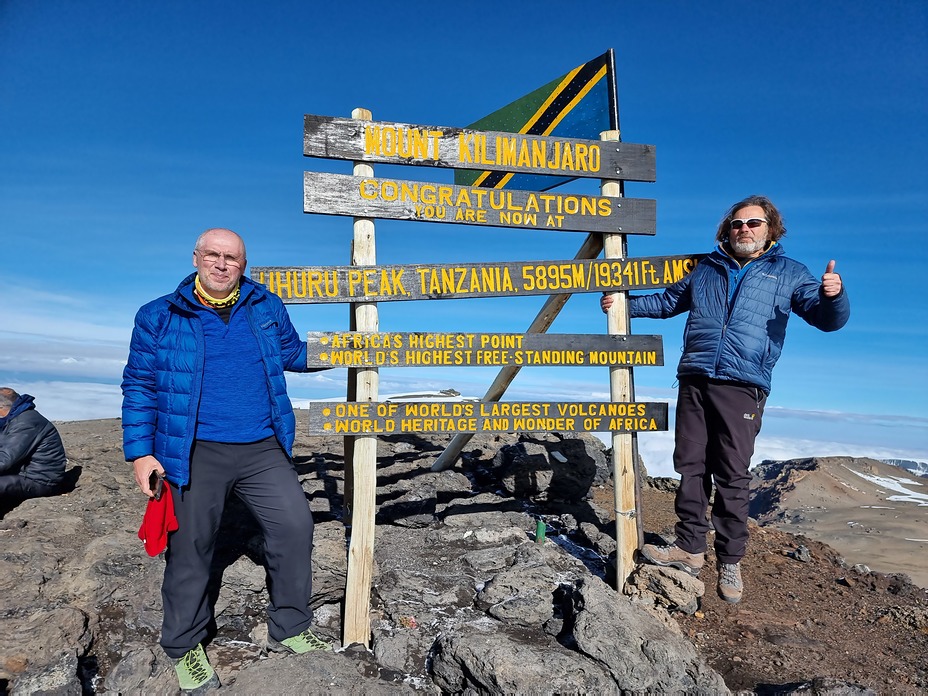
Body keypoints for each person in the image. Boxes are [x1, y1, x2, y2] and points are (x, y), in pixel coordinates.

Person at [601, 195, 850, 604]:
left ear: (771, 228)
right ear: (726, 229)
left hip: (744, 384)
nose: (744, 229)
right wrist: (622, 304)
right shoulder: (706, 269)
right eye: (737, 223)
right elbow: (667, 302)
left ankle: (730, 560)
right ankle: (689, 547)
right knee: (691, 465)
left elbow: (827, 319)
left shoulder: (790, 273)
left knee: (732, 472)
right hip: (695, 377)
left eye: (754, 223)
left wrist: (833, 296)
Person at [121, 228, 330, 693]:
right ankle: (183, 646)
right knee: (191, 547)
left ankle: (291, 628)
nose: (221, 264)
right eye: (212, 255)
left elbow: (292, 353)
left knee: (295, 526)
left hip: (262, 446)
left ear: (243, 264)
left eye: (231, 258)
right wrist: (140, 453)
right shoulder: (159, 314)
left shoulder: (266, 305)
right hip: (193, 450)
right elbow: (139, 384)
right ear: (195, 257)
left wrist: (347, 349)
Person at [0, 388, 67, 510]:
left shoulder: (25, 423)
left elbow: (5, 458)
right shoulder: (13, 420)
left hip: (40, 480)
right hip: (22, 473)